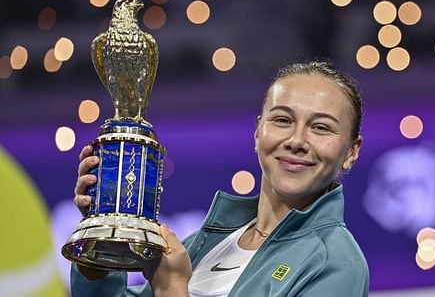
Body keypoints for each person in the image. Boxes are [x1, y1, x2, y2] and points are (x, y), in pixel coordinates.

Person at [72, 60, 369, 296]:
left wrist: (173, 290)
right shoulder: (204, 244)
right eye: (282, 120)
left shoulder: (336, 264)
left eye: (321, 128)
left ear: (351, 151)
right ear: (258, 132)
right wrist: (101, 244)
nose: (296, 140)